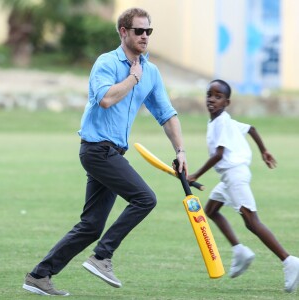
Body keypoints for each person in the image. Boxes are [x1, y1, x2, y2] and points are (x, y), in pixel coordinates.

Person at [22, 7, 188, 296]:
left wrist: (181, 150)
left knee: (91, 226)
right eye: (139, 31)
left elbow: (167, 115)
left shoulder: (151, 71)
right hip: (97, 151)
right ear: (124, 32)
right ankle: (102, 257)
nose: (145, 36)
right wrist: (133, 78)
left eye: (149, 31)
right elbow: (106, 100)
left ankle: (39, 275)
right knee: (145, 198)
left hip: (114, 153)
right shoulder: (107, 63)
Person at [187, 79, 299, 293]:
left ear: (226, 102)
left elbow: (219, 155)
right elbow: (251, 128)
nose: (212, 99)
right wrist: (263, 150)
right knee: (211, 210)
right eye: (209, 94)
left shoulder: (221, 122)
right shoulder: (223, 120)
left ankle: (289, 261)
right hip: (230, 177)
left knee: (251, 221)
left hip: (235, 175)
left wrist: (195, 175)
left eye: (218, 96)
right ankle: (240, 251)